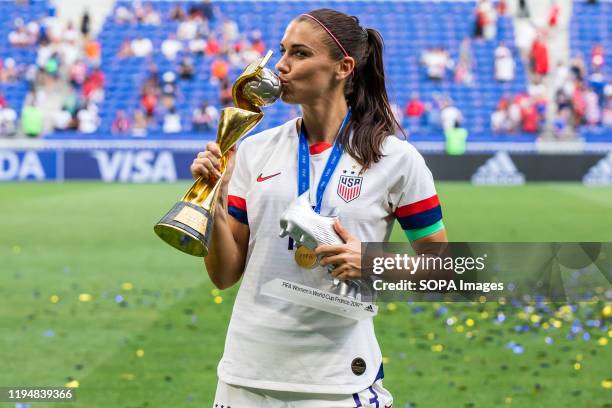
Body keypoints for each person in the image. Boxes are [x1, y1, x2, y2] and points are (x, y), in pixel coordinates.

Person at [189, 8, 447, 407]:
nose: (281, 66)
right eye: (281, 52)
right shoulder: (253, 151)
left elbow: (439, 266)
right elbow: (224, 275)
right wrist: (216, 206)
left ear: (343, 67)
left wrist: (374, 262)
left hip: (338, 384)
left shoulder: (397, 159)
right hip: (245, 377)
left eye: (299, 54)